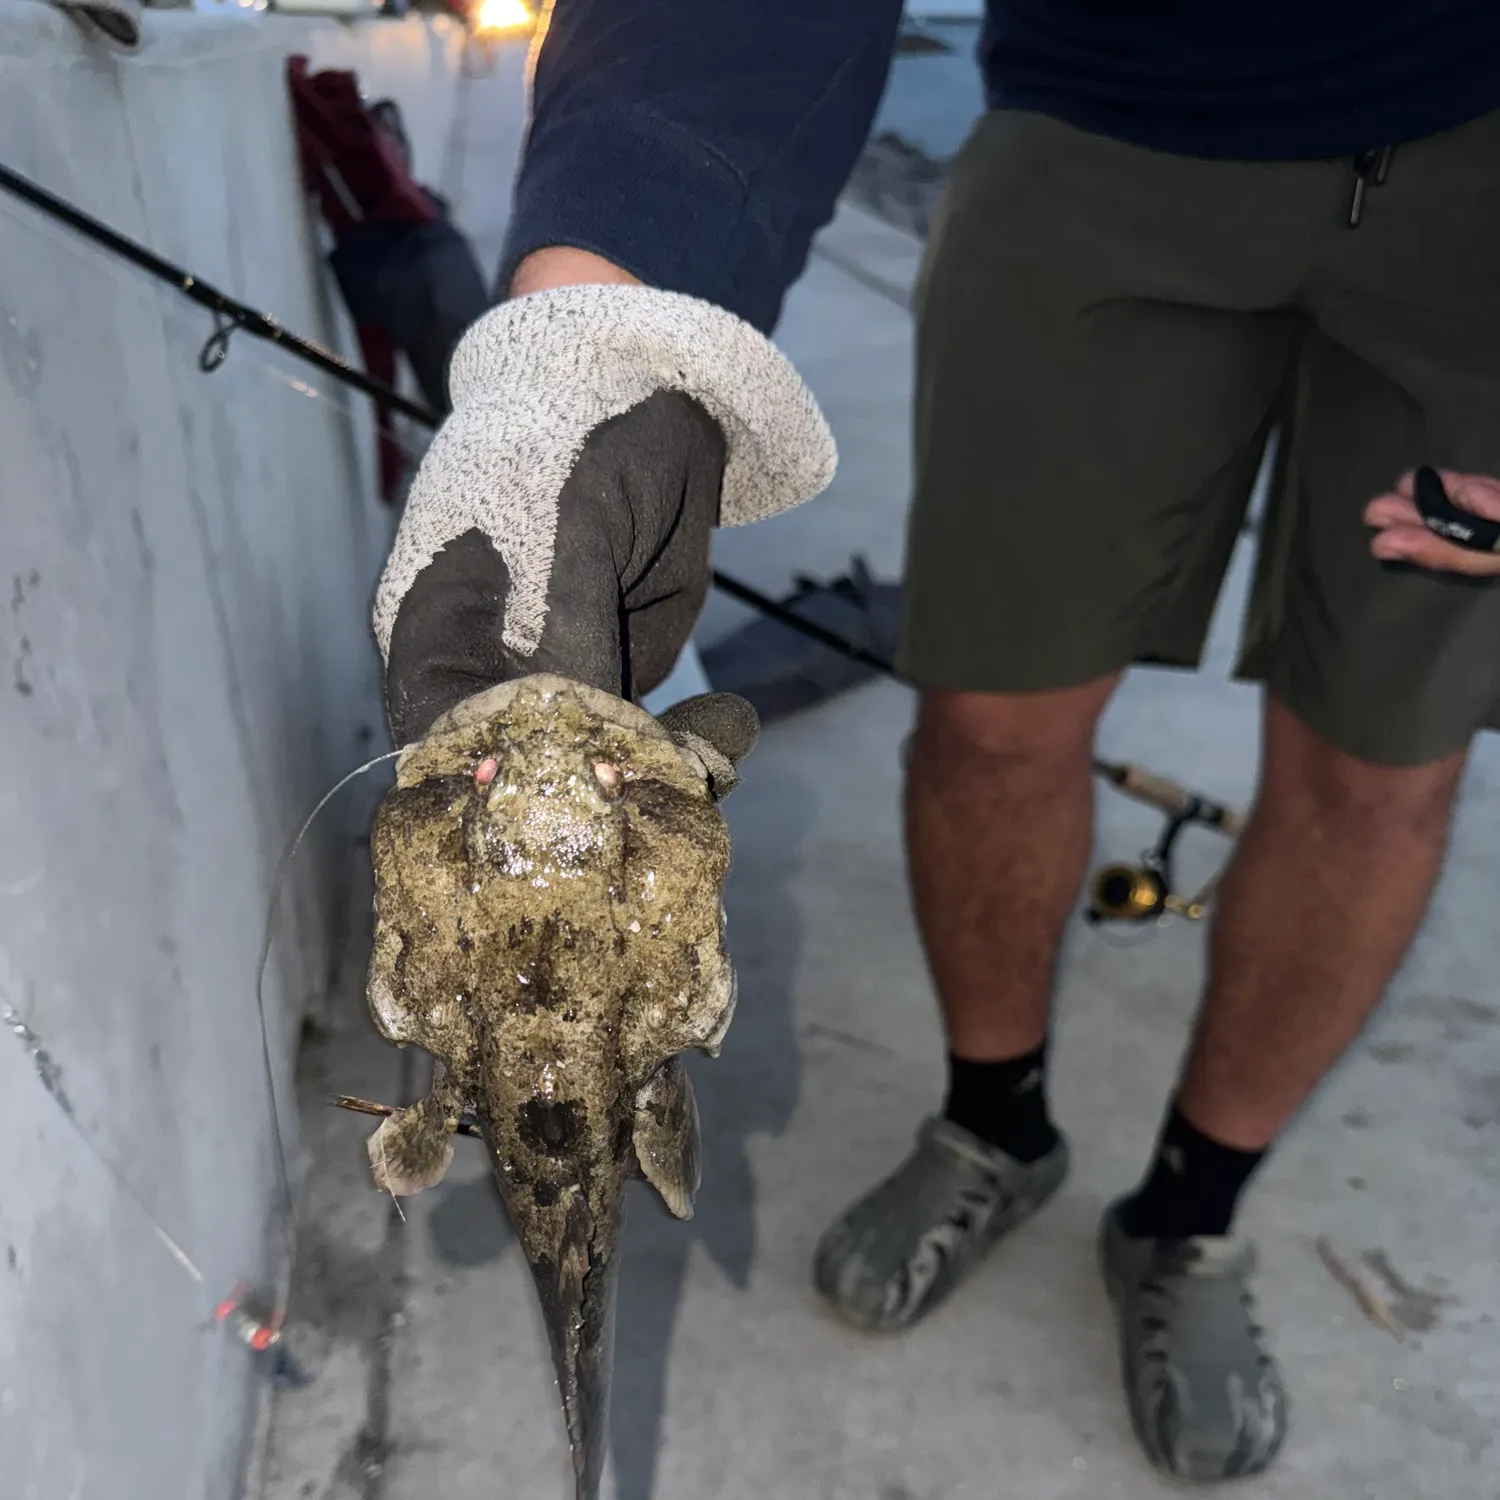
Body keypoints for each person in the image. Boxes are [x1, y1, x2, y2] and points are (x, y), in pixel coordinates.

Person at [374, 0, 1500, 1483]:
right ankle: (994, 1128)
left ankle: (1191, 1212)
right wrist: (585, 332)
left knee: (1384, 758)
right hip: (1097, 119)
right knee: (987, 715)